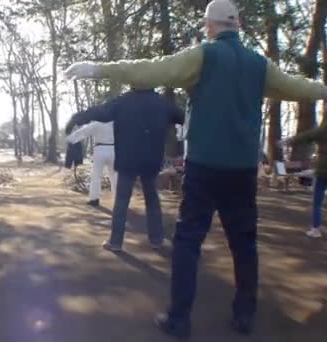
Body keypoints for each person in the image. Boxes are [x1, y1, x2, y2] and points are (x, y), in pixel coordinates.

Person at [65, 0, 327, 338]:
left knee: (188, 243)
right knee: (244, 244)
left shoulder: (204, 55)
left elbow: (149, 71)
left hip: (205, 166)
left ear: (210, 26)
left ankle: (179, 319)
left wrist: (97, 68)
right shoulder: (259, 65)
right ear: (238, 26)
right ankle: (244, 314)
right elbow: (297, 87)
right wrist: (323, 88)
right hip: (243, 169)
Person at [66, 88, 184, 251]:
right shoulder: (161, 102)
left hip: (128, 158)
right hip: (151, 157)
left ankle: (116, 242)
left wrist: (76, 118)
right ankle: (156, 239)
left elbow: (100, 112)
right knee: (152, 199)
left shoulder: (123, 101)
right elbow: (182, 116)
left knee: (121, 199)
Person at [281, 120, 327, 238]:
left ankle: (316, 229)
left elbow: (306, 136)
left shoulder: (323, 128)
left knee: (317, 200)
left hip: (323, 169)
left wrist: (287, 141)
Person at [67, 121, 117, 207]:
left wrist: (71, 138)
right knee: (115, 176)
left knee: (96, 176)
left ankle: (94, 199)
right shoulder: (115, 122)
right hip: (113, 149)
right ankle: (119, 199)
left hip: (99, 149)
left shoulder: (97, 123)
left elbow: (84, 131)